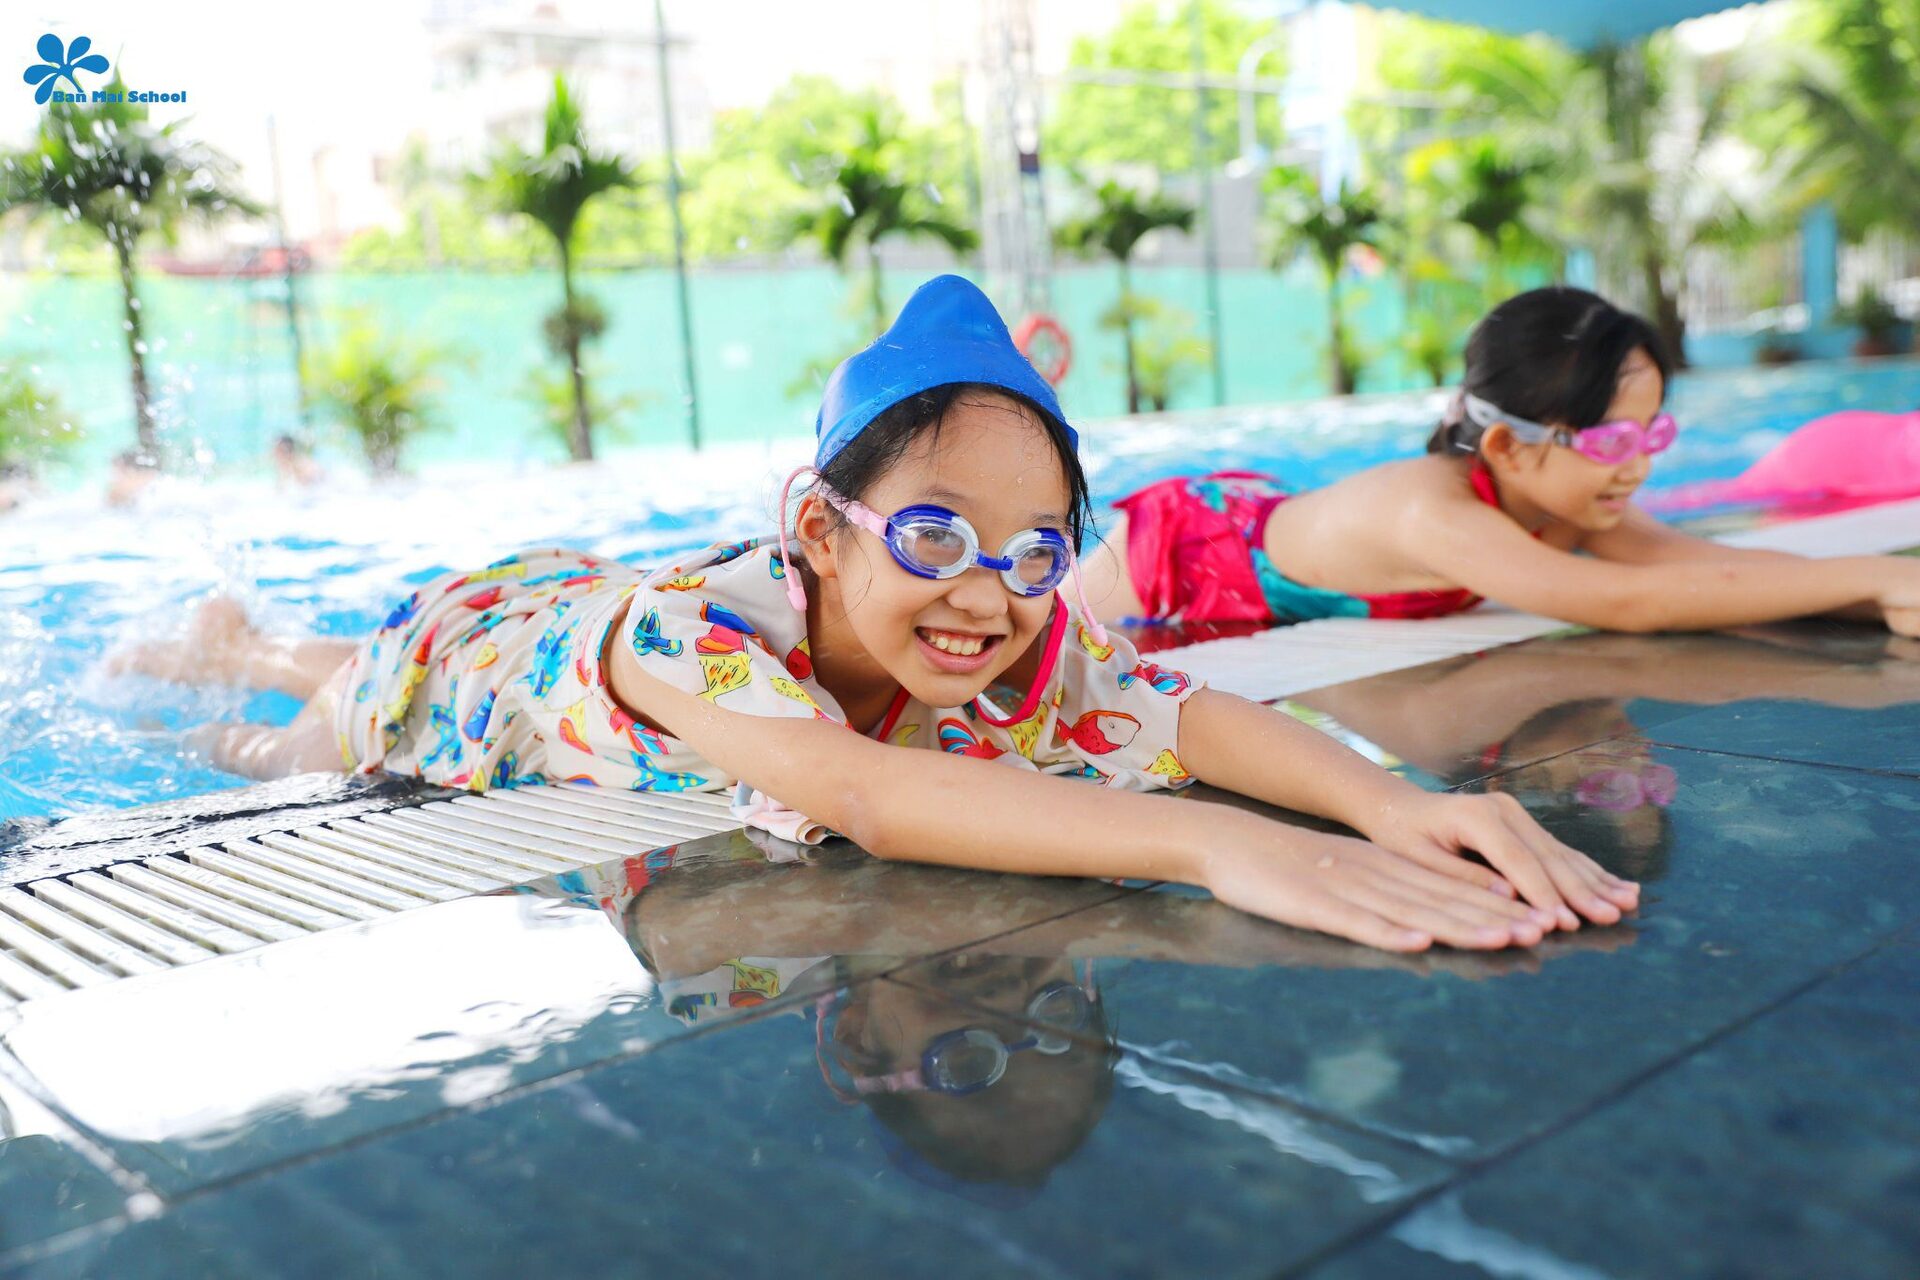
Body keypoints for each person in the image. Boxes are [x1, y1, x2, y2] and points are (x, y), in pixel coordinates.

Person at [112, 275, 1639, 953]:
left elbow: (1189, 715)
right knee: (283, 762)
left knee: (312, 670)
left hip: (573, 616)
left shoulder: (1017, 617)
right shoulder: (700, 640)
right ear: (817, 531)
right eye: (933, 536)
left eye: (1035, 550)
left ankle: (251, 633)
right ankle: (220, 661)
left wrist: (1395, 805)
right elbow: (863, 792)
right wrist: (1212, 844)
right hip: (470, 667)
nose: (986, 591)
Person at [1080, 286, 1920, 638]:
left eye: (1651, 434)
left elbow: (1696, 564)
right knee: (1043, 634)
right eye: (1612, 442)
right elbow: (1626, 601)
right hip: (1188, 555)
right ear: (1510, 445)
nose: (1637, 467)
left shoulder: (1558, 495)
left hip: (1273, 517)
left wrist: (1876, 593)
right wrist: (1879, 579)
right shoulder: (1435, 514)